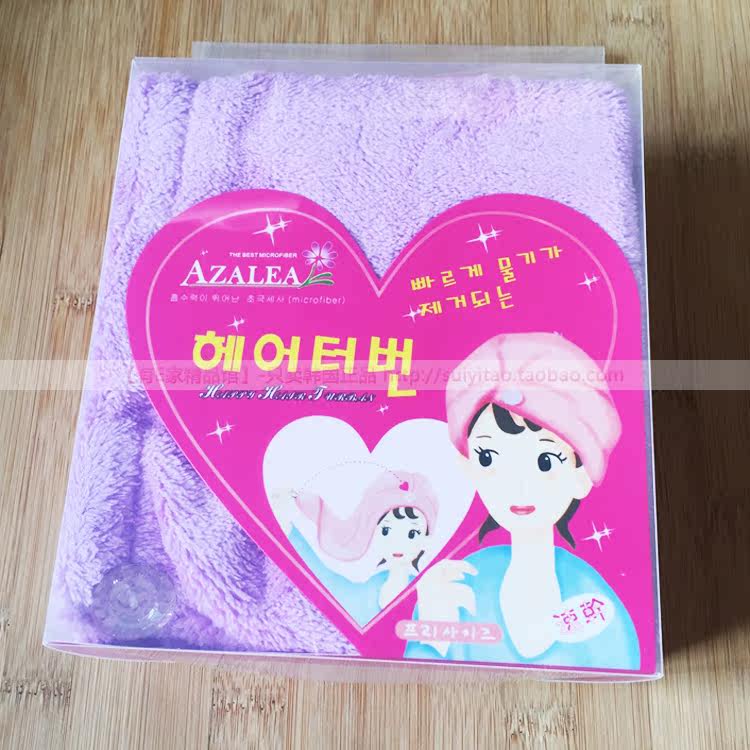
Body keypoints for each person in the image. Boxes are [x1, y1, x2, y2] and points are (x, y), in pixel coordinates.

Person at [405, 332, 640, 670]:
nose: (518, 485)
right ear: (468, 466)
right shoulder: (457, 585)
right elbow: (420, 675)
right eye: (488, 457)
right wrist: (432, 636)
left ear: (581, 476)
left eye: (545, 461)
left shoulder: (595, 599)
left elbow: (622, 664)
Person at [276, 470, 438, 627]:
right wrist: (291, 531)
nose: (398, 543)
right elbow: (329, 582)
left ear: (425, 538)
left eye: (412, 534)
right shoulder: (371, 587)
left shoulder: (428, 591)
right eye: (386, 531)